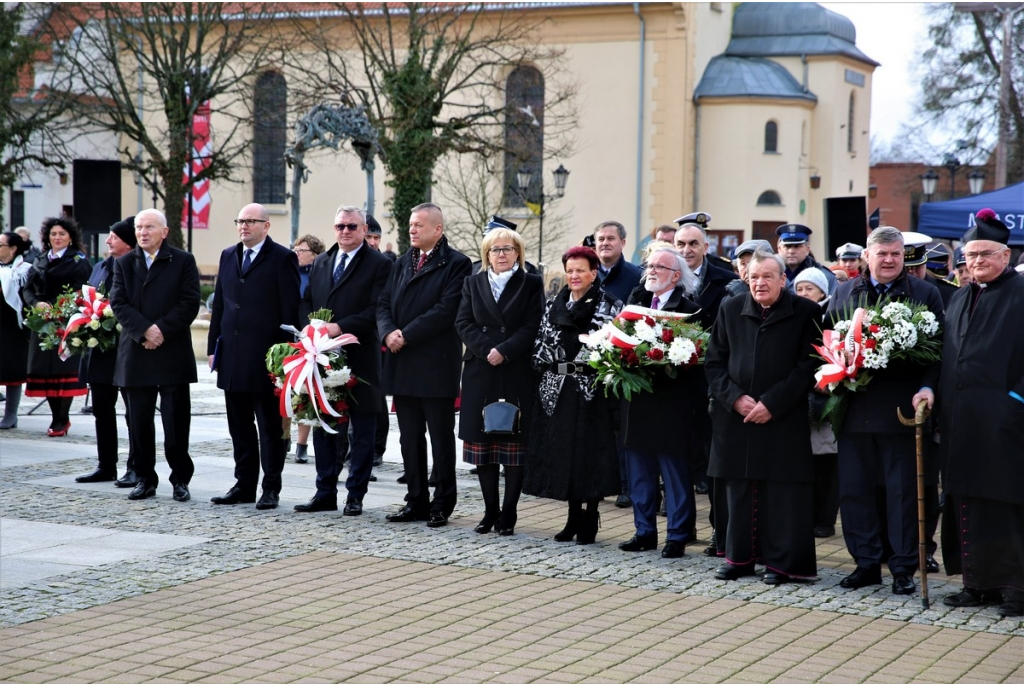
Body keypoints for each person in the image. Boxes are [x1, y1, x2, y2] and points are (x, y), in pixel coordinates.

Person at [913, 212, 1024, 618]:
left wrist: (1016, 401)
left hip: (1005, 420)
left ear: (1005, 254)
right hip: (959, 419)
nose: (974, 261)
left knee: (1004, 504)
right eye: (969, 254)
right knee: (963, 500)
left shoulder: (1021, 293)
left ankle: (1015, 587)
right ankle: (976, 583)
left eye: (984, 254)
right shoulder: (960, 295)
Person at [826, 226, 944, 595]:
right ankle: (865, 563)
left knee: (903, 493)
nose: (890, 260)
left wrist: (927, 386)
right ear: (867, 256)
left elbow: (939, 350)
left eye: (895, 253)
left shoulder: (924, 293)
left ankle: (904, 566)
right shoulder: (846, 291)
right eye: (882, 254)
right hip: (855, 407)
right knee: (855, 491)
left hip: (902, 411)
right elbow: (828, 340)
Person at [705, 249, 821, 584]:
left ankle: (781, 563)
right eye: (754, 277)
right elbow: (714, 362)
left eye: (767, 276)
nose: (759, 283)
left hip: (782, 417)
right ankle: (738, 559)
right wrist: (735, 398)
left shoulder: (806, 312)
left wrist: (772, 403)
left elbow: (808, 366)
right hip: (737, 417)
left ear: (783, 279)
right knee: (739, 490)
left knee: (782, 494)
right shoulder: (729, 308)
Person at [293, 206, 392, 515]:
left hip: (359, 358)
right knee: (324, 427)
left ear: (364, 230)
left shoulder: (379, 264)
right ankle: (324, 491)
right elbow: (307, 300)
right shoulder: (322, 262)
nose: (345, 231)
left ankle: (355, 495)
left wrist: (340, 327)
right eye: (340, 226)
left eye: (352, 226)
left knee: (361, 431)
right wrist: (309, 328)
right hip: (322, 358)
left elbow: (379, 308)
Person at [378, 202, 471, 527]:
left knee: (441, 437)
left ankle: (442, 503)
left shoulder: (457, 264)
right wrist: (388, 331)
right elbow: (384, 302)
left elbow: (446, 310)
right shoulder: (403, 261)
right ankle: (415, 501)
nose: (412, 230)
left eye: (418, 225)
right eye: (410, 225)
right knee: (409, 437)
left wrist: (406, 335)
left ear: (437, 229)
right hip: (403, 363)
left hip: (435, 365)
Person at [524, 246, 621, 545]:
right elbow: (541, 345)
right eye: (570, 270)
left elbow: (616, 350)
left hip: (592, 391)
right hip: (558, 390)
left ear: (594, 273)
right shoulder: (555, 302)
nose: (574, 275)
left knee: (589, 455)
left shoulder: (609, 306)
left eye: (581, 270)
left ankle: (590, 517)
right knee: (564, 454)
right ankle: (571, 518)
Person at [208, 204, 299, 510]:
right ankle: (243, 484)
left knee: (270, 428)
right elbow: (219, 305)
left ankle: (270, 486)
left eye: (250, 221)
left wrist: (285, 357)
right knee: (239, 427)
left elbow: (290, 310)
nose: (244, 226)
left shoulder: (283, 258)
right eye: (240, 221)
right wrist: (212, 347)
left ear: (266, 226)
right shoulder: (227, 255)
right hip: (232, 357)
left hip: (266, 360)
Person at [455, 227, 543, 536]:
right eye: (495, 250)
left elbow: (533, 324)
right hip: (481, 371)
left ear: (518, 252)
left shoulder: (531, 283)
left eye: (507, 249)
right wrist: (485, 350)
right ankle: (490, 510)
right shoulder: (472, 282)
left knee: (513, 446)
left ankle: (509, 513)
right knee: (484, 444)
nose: (501, 254)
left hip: (515, 370)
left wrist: (504, 351)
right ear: (486, 254)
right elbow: (462, 322)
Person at [109, 209, 201, 502]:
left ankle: (180, 480)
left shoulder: (183, 260)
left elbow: (189, 302)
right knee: (139, 421)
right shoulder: (124, 263)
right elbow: (118, 302)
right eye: (139, 227)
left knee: (176, 422)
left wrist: (160, 330)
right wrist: (144, 331)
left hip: (171, 349)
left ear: (165, 231)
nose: (143, 232)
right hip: (137, 351)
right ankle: (144, 478)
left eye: (149, 227)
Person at [618, 247, 701, 558]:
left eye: (659, 267)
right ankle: (644, 531)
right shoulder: (635, 302)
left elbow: (695, 358)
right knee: (639, 470)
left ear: (676, 276)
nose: (650, 271)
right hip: (637, 402)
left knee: (674, 472)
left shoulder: (690, 309)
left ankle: (678, 535)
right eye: (649, 265)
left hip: (671, 404)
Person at [673, 212, 739, 550]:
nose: (687, 250)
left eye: (693, 243)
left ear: (706, 246)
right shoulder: (666, 278)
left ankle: (720, 529)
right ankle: (682, 527)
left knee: (716, 462)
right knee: (682, 459)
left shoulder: (726, 280)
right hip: (677, 387)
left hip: (714, 385)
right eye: (681, 244)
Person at [74, 217, 138, 485]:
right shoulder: (100, 266)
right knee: (102, 408)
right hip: (100, 350)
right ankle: (106, 465)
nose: (108, 240)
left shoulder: (137, 267)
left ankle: (136, 466)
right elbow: (88, 299)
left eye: (114, 236)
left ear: (128, 242)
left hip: (126, 349)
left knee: (134, 411)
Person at [21, 217, 93, 436]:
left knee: (64, 369)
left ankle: (62, 419)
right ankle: (55, 417)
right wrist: (36, 304)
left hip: (66, 320)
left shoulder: (79, 260)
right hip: (42, 321)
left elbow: (84, 290)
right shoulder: (39, 259)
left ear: (70, 237)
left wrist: (58, 307)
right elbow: (27, 289)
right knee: (46, 370)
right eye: (53, 234)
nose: (57, 238)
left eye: (62, 234)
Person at [792, 268, 839, 538]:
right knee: (808, 462)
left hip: (824, 398)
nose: (803, 294)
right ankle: (809, 516)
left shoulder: (829, 315)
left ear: (822, 291)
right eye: (799, 289)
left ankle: (826, 518)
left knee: (827, 463)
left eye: (809, 288)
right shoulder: (796, 314)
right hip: (802, 400)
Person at [285, 233, 325, 464]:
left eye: (302, 251)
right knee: (284, 391)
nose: (297, 254)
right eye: (296, 250)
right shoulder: (288, 271)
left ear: (315, 255)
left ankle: (301, 443)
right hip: (288, 336)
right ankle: (284, 437)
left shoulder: (320, 275)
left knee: (305, 393)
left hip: (311, 337)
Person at [0, 232, 33, 429]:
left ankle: (11, 413)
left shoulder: (24, 271)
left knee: (12, 371)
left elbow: (26, 299)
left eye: (1, 244)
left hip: (14, 328)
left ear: (13, 249)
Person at [776, 224, 838, 296]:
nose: (791, 251)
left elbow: (834, 304)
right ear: (779, 249)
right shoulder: (769, 274)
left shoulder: (824, 275)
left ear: (807, 249)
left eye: (797, 246)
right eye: (787, 246)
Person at [594, 221, 643, 305]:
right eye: (601, 239)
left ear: (622, 243)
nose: (605, 243)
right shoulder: (585, 274)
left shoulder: (638, 276)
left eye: (610, 238)